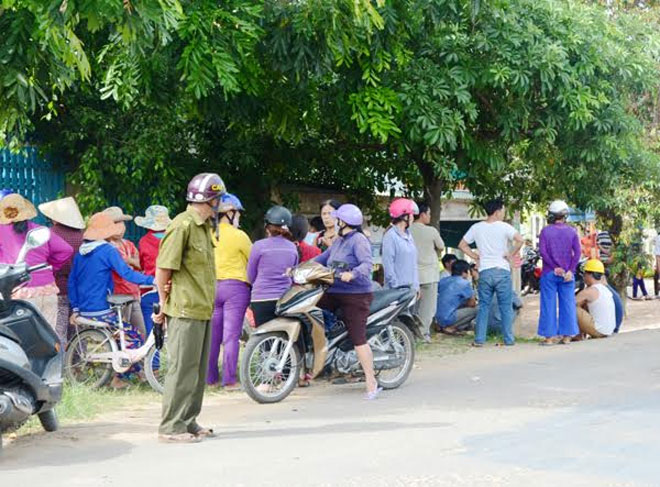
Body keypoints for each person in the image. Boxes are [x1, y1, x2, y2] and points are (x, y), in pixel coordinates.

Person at [152, 172, 225, 444]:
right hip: (184, 309)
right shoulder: (182, 225)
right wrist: (161, 303)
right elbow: (163, 268)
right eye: (218, 199)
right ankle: (171, 427)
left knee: (197, 370)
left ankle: (188, 420)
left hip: (202, 308)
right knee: (182, 369)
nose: (220, 205)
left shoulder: (204, 226)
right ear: (211, 200)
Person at [68, 212, 155, 389]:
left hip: (84, 309)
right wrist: (151, 280)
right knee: (134, 337)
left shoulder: (81, 253)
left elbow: (72, 282)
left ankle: (131, 374)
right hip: (102, 309)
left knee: (122, 334)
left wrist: (76, 309)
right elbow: (127, 273)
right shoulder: (108, 250)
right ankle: (122, 377)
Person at [315, 204, 381, 399]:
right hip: (334, 291)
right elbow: (322, 258)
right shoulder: (339, 241)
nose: (333, 221)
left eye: (336, 218)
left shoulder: (358, 240)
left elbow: (367, 264)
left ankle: (371, 381)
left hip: (356, 295)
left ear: (343, 222)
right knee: (310, 309)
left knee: (358, 338)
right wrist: (299, 268)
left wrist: (352, 274)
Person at [0, 194, 73, 333]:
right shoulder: (40, 230)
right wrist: (51, 267)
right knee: (49, 336)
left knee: (19, 338)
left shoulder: (1, 230)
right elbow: (66, 250)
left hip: (18, 291)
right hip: (47, 290)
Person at [458, 198, 523, 347]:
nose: (504, 213)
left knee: (483, 306)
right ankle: (508, 339)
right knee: (505, 306)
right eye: (503, 210)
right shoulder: (504, 227)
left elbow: (462, 245)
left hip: (485, 271)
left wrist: (475, 256)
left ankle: (480, 339)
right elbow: (520, 240)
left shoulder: (476, 227)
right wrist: (510, 254)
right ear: (498, 211)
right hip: (502, 271)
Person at [206, 193, 252, 389]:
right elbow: (253, 260)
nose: (239, 218)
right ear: (230, 213)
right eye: (238, 214)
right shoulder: (240, 236)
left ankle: (210, 380)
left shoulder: (208, 234)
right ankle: (230, 380)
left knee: (213, 336)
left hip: (211, 288)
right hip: (235, 289)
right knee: (231, 336)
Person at [38, 196, 86, 343]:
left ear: (54, 218)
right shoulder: (84, 236)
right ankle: (78, 361)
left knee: (59, 330)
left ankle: (60, 363)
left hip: (59, 288)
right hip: (81, 290)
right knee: (79, 329)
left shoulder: (49, 234)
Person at [537, 200, 581, 345]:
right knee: (568, 303)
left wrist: (555, 267)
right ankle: (567, 336)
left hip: (549, 273)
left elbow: (543, 252)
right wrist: (570, 270)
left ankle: (549, 338)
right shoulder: (572, 231)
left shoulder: (545, 231)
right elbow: (578, 253)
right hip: (568, 275)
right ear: (565, 215)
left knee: (548, 304)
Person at [247, 206, 298, 326]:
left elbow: (250, 276)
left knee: (263, 338)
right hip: (284, 300)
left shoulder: (258, 246)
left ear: (266, 226)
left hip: (261, 299)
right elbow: (292, 275)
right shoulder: (292, 247)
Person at [102, 206, 146, 339]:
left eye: (122, 223)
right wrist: (130, 261)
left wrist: (129, 260)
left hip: (133, 294)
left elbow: (140, 265)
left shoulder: (128, 244)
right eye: (116, 223)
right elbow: (123, 268)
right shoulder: (106, 247)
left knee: (140, 333)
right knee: (121, 334)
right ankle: (121, 359)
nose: (120, 227)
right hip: (118, 297)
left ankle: (136, 359)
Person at [410, 202, 445, 342]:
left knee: (413, 307)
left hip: (412, 275)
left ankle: (410, 333)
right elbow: (441, 246)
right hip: (429, 274)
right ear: (423, 214)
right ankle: (422, 334)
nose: (430, 216)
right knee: (428, 308)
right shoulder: (431, 231)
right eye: (429, 213)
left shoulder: (407, 230)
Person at [135, 205, 172, 337]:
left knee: (152, 333)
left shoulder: (144, 241)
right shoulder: (173, 239)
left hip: (150, 290)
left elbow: (141, 264)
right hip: (172, 290)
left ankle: (153, 358)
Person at [382, 198, 420, 293]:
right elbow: (388, 266)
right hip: (395, 292)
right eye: (411, 215)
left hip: (409, 291)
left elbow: (413, 264)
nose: (413, 218)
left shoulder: (409, 236)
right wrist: (396, 288)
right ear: (404, 216)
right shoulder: (390, 236)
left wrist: (416, 286)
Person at [574, 259, 616, 339]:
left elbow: (570, 304)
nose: (583, 277)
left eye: (585, 274)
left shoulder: (589, 291)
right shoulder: (605, 289)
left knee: (572, 308)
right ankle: (579, 335)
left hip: (599, 331)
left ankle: (573, 335)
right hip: (609, 330)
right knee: (584, 305)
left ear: (590, 275)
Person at [435, 260, 477, 335]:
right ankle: (451, 327)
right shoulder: (464, 283)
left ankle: (441, 326)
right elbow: (472, 304)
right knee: (477, 309)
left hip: (437, 317)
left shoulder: (443, 280)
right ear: (465, 272)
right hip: (449, 318)